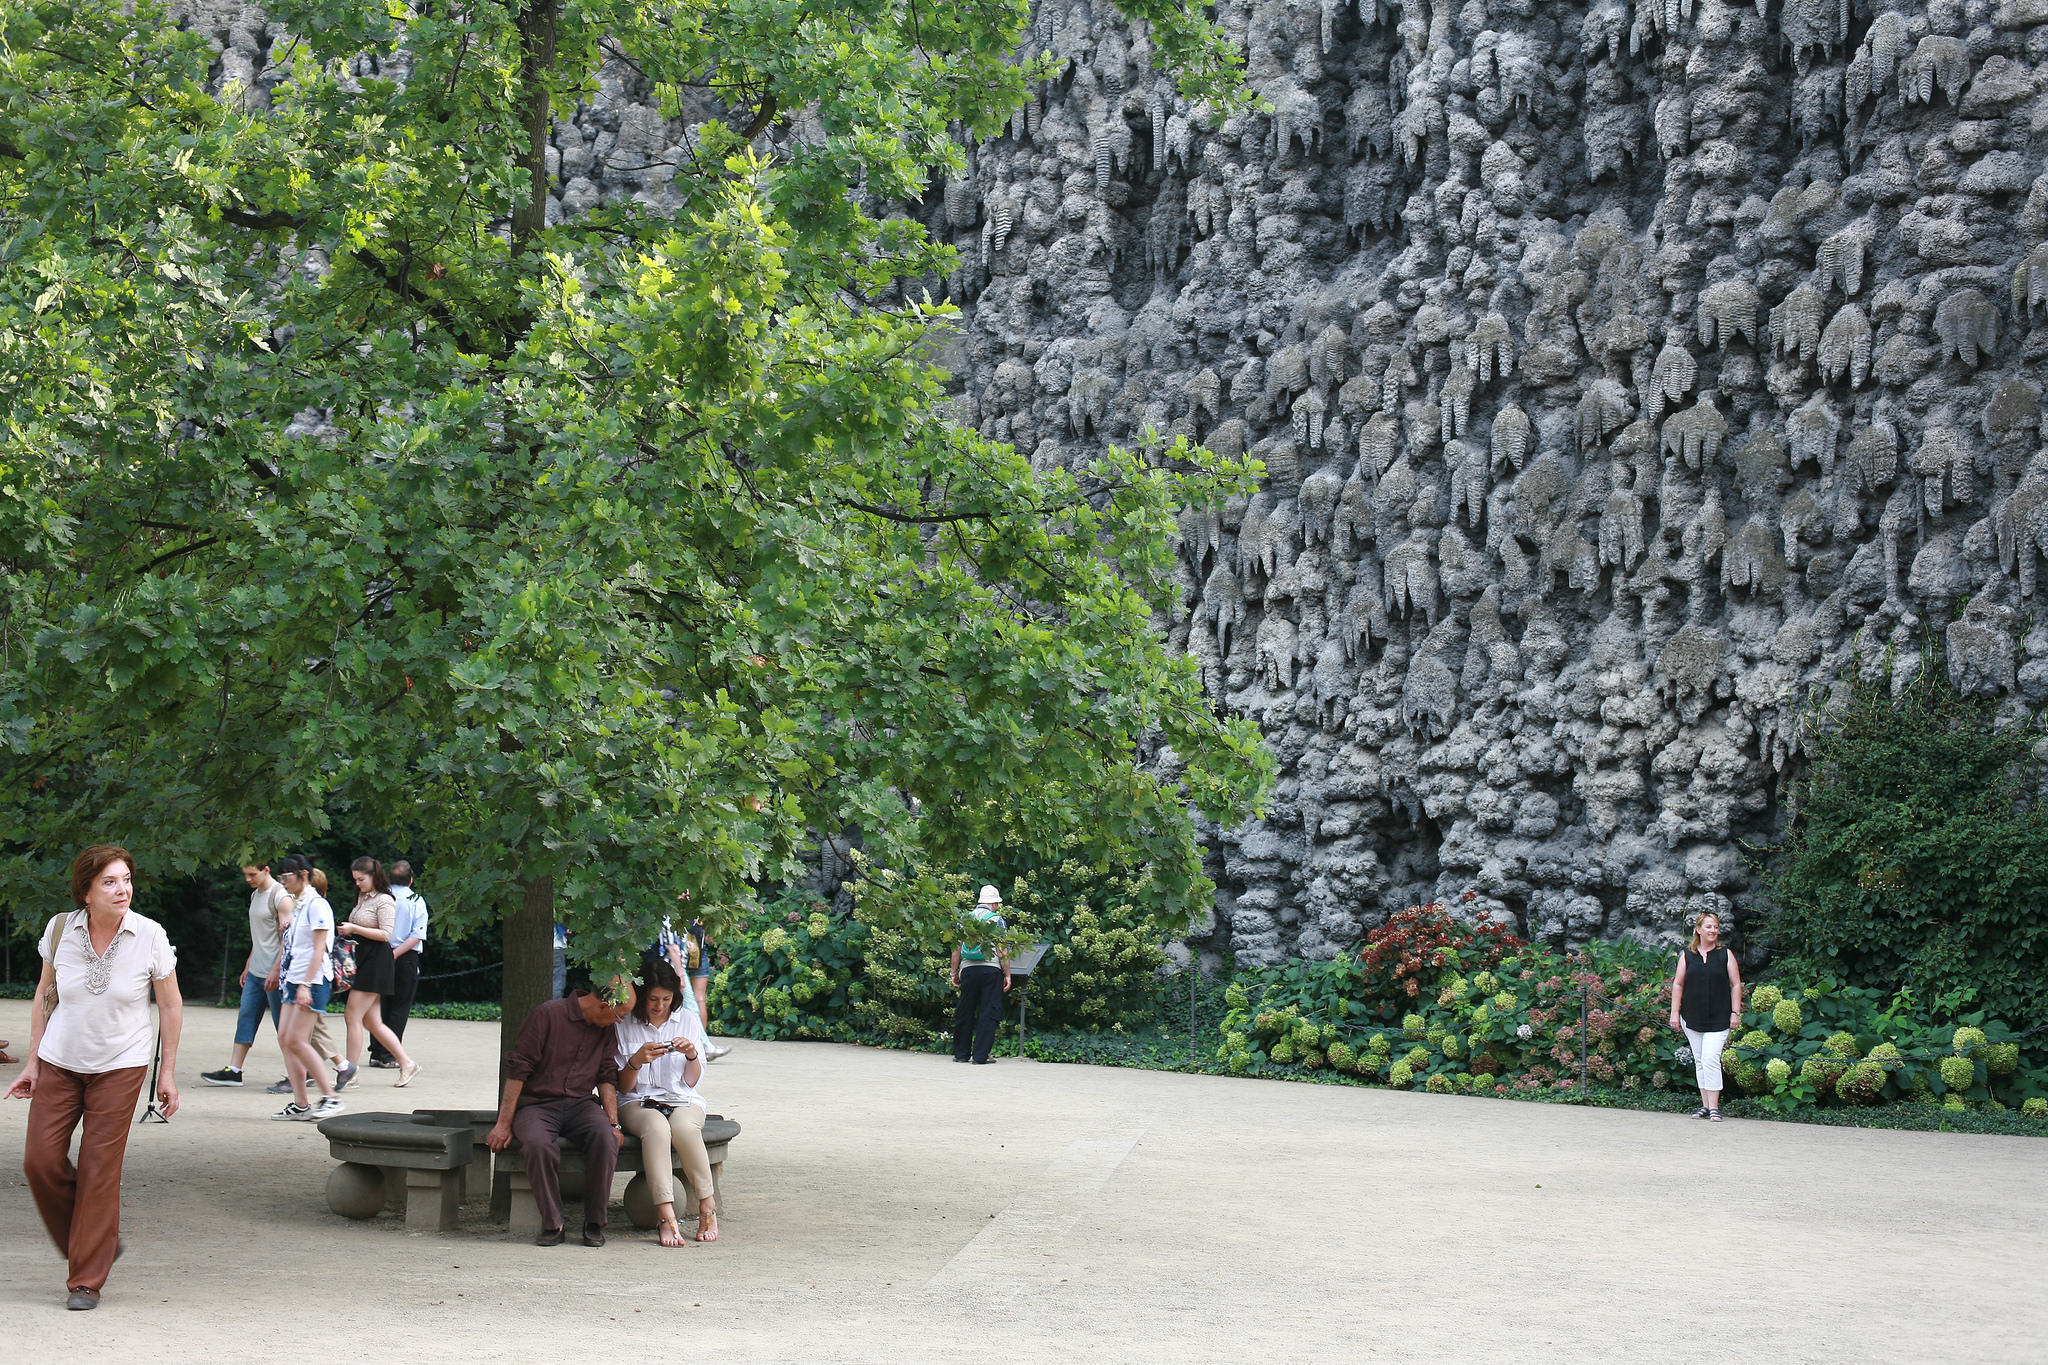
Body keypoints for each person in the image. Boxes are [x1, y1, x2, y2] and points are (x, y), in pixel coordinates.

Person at [8, 845, 183, 1310]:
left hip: (121, 1066)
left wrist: (166, 1072)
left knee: (98, 1172)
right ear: (85, 890)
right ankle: (97, 1239)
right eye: (109, 881)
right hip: (59, 1061)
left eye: (126, 879)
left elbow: (169, 1005)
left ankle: (86, 1279)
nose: (122, 889)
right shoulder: (60, 928)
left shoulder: (149, 935)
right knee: (39, 1161)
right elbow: (45, 994)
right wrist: (32, 1063)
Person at [486, 978, 635, 1246]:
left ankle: (594, 1221)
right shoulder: (548, 1015)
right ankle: (553, 1222)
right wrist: (503, 1123)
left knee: (605, 1137)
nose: (620, 1022)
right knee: (536, 1144)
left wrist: (614, 1124)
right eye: (620, 1015)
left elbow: (606, 1075)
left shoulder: (604, 1029)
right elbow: (519, 1069)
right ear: (603, 1006)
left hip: (581, 1104)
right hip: (537, 1104)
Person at [613, 958, 718, 1245]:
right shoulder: (624, 1023)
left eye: (667, 999)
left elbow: (693, 1081)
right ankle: (665, 1213)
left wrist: (692, 1055)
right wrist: (635, 1061)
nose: (660, 1005)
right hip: (637, 1101)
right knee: (657, 1129)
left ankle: (707, 1205)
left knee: (684, 1128)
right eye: (653, 999)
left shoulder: (686, 1019)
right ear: (642, 996)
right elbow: (623, 1086)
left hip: (682, 1098)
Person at [263, 858, 353, 1096]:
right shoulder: (299, 904)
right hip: (294, 978)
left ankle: (330, 1096)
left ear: (303, 874)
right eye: (280, 878)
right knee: (286, 1039)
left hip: (311, 981)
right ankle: (300, 1103)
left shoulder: (316, 904)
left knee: (298, 1041)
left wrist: (305, 984)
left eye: (286, 877)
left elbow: (319, 949)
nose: (283, 883)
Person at [202, 863, 293, 1087]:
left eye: (252, 874)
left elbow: (287, 940)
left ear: (267, 870)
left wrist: (275, 970)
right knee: (246, 1016)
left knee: (284, 1025)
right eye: (245, 874)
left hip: (275, 972)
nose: (248, 879)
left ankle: (298, 1073)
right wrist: (248, 963)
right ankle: (234, 1070)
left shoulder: (281, 897)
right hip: (256, 970)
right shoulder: (255, 895)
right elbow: (260, 935)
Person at [336, 857, 421, 1085]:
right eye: (355, 880)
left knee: (352, 1016)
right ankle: (406, 1063)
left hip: (376, 961)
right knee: (372, 1022)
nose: (358, 884)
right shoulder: (363, 897)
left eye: (361, 879)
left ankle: (350, 1073)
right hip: (364, 959)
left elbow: (386, 934)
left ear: (374, 876)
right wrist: (349, 931)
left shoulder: (385, 900)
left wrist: (354, 928)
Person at [1668, 910, 1744, 1122]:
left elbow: (1736, 984)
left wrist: (1735, 1012)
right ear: (1698, 930)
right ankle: (1705, 1105)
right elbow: (1678, 983)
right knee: (1700, 1060)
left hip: (1719, 1017)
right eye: (1709, 927)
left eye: (1716, 927)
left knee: (1711, 1059)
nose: (1713, 930)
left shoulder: (1724, 954)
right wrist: (1675, 1012)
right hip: (1692, 1017)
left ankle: (1714, 1107)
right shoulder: (1687, 955)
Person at [369, 860, 428, 1067]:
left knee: (378, 1005)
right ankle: (389, 1054)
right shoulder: (416, 900)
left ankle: (376, 1052)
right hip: (405, 957)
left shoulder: (380, 897)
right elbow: (417, 935)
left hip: (379, 952)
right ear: (411, 880)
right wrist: (395, 955)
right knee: (399, 1007)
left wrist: (387, 955)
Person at [950, 885, 1011, 1065]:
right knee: (988, 1011)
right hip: (991, 969)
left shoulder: (964, 919)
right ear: (993, 903)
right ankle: (980, 1056)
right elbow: (1002, 949)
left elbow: (956, 948)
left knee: (965, 1010)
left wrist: (954, 972)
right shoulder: (997, 920)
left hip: (968, 969)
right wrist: (1007, 973)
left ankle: (961, 1054)